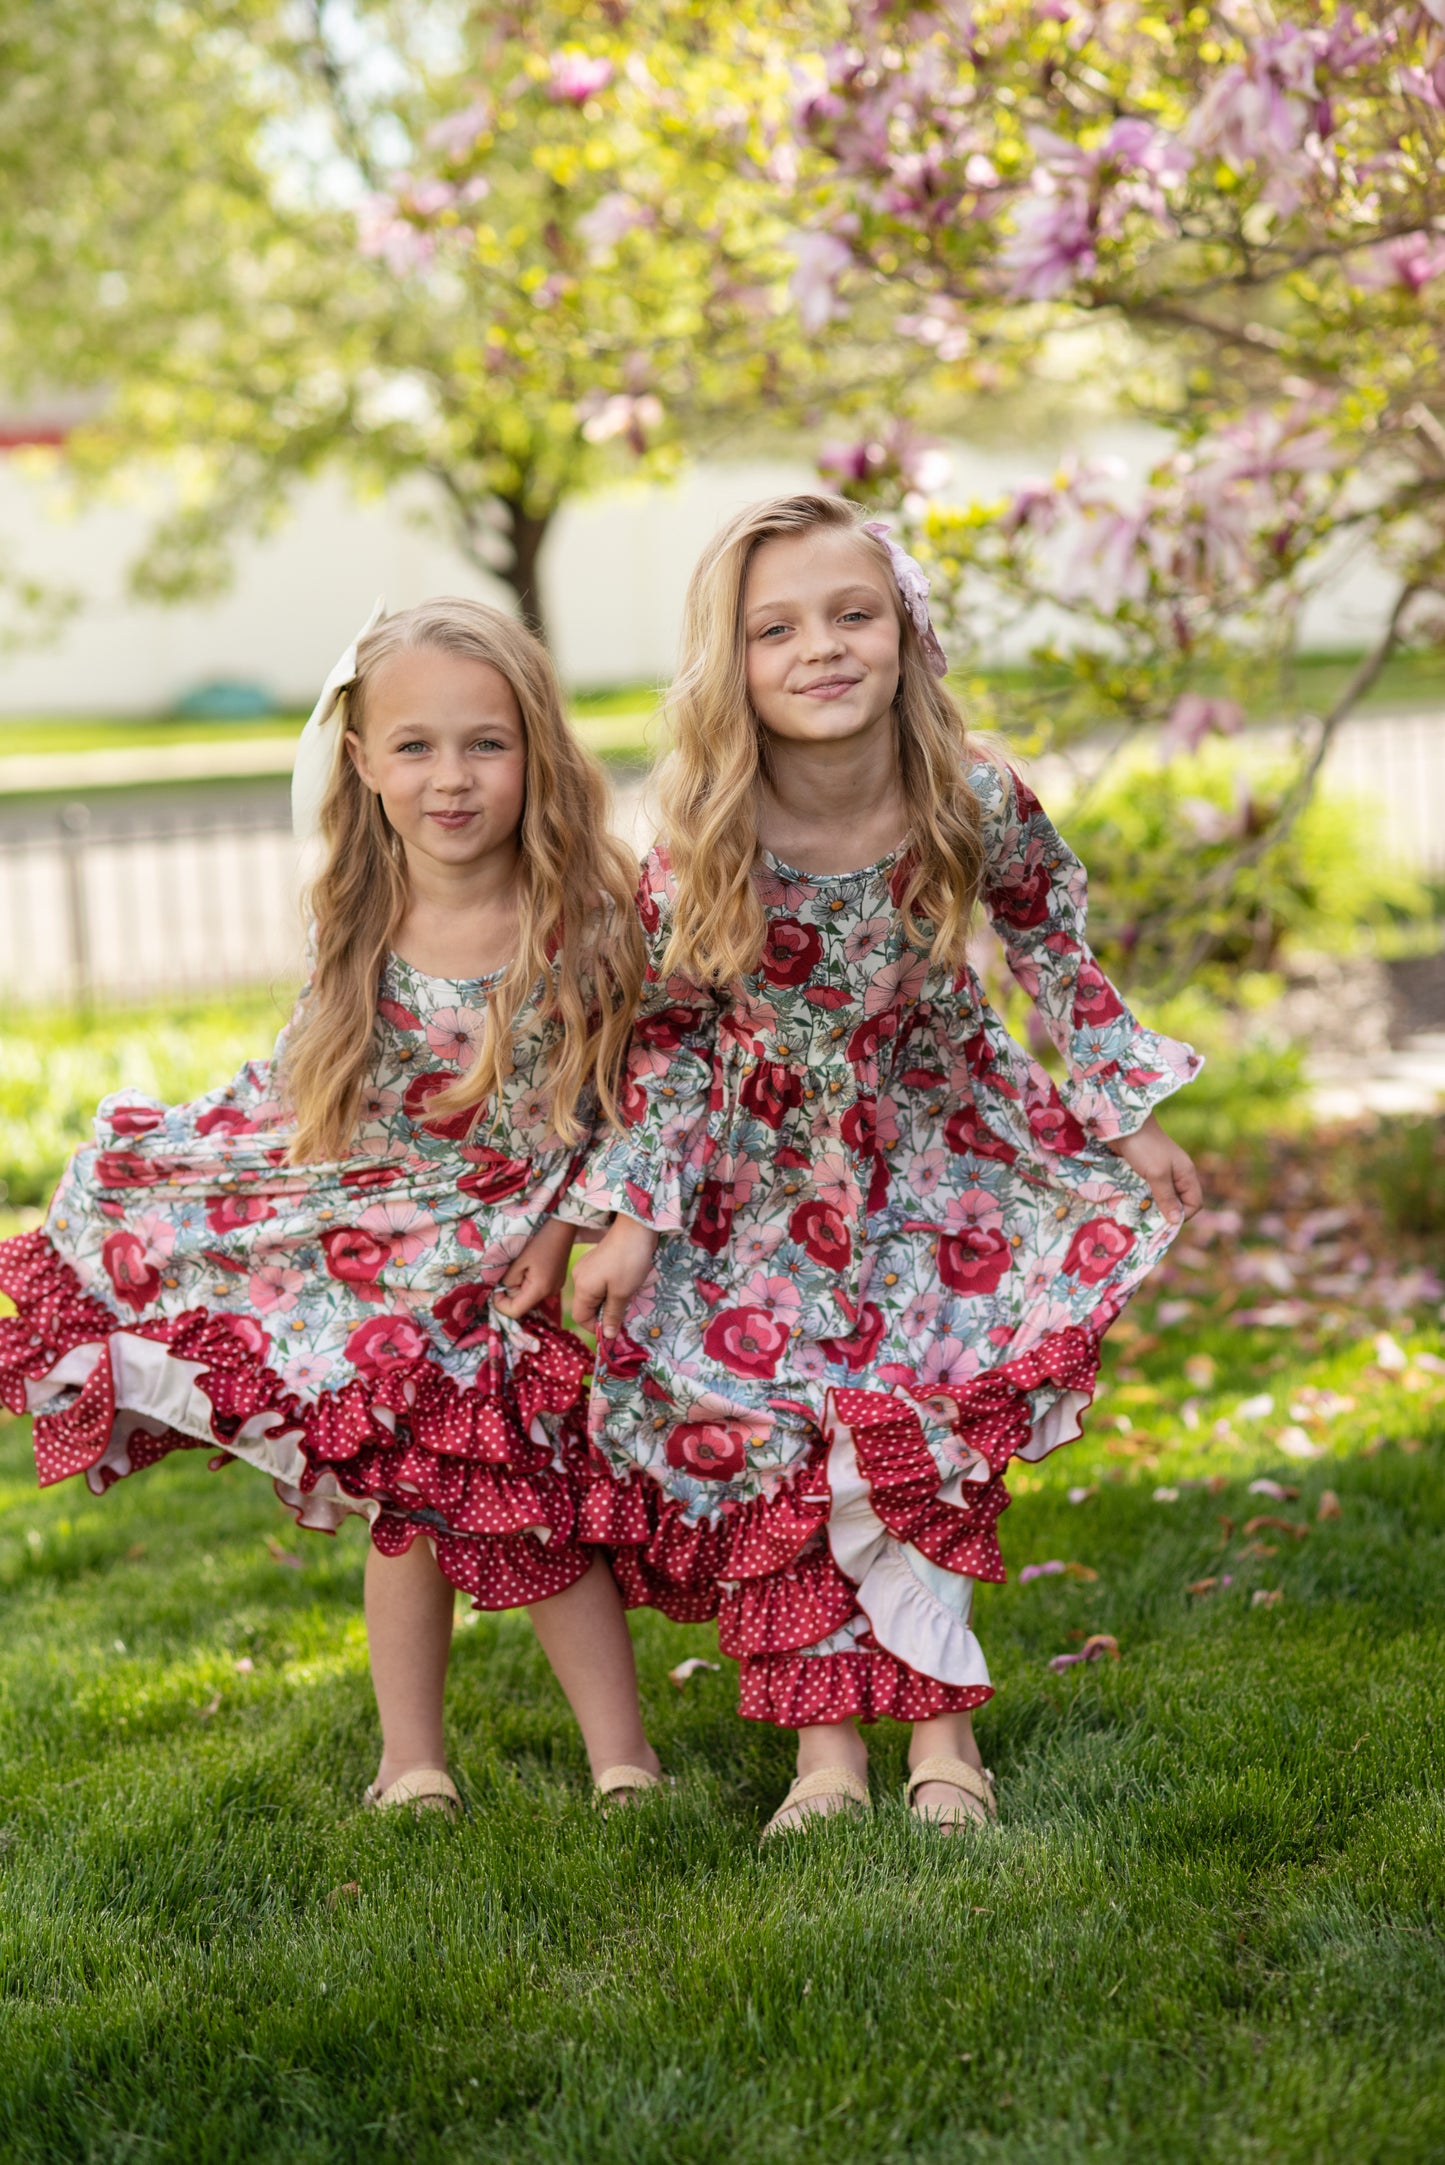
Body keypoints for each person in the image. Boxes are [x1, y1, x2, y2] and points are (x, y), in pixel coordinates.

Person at [571, 494, 1202, 1836]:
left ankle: (944, 1741)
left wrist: (1124, 1109)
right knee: (791, 1444)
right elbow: (668, 1040)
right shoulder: (701, 837)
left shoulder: (968, 793)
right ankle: (824, 1756)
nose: (822, 649)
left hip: (940, 1149)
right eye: (777, 629)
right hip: (761, 1173)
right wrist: (634, 1209)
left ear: (904, 633)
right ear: (729, 664)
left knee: (924, 1430)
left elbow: (1051, 950)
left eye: (852, 615)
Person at [0, 597, 663, 1816]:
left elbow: (623, 1101)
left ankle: (624, 1760)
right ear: (361, 762)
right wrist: (182, 1166)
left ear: (538, 753)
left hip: (514, 1235)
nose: (450, 778)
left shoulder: (590, 921)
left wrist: (566, 1230)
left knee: (532, 1493)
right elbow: (308, 1087)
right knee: (408, 1496)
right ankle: (409, 1759)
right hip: (387, 1236)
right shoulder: (357, 914)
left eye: (486, 743)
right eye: (414, 746)